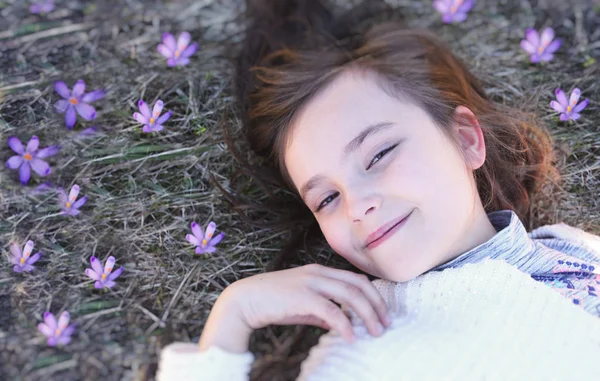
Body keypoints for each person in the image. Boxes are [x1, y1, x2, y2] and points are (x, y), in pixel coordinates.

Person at [156, 1, 600, 379]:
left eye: (378, 155)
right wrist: (234, 316)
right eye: (326, 199)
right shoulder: (367, 351)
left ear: (465, 139)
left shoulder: (574, 248)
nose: (356, 206)